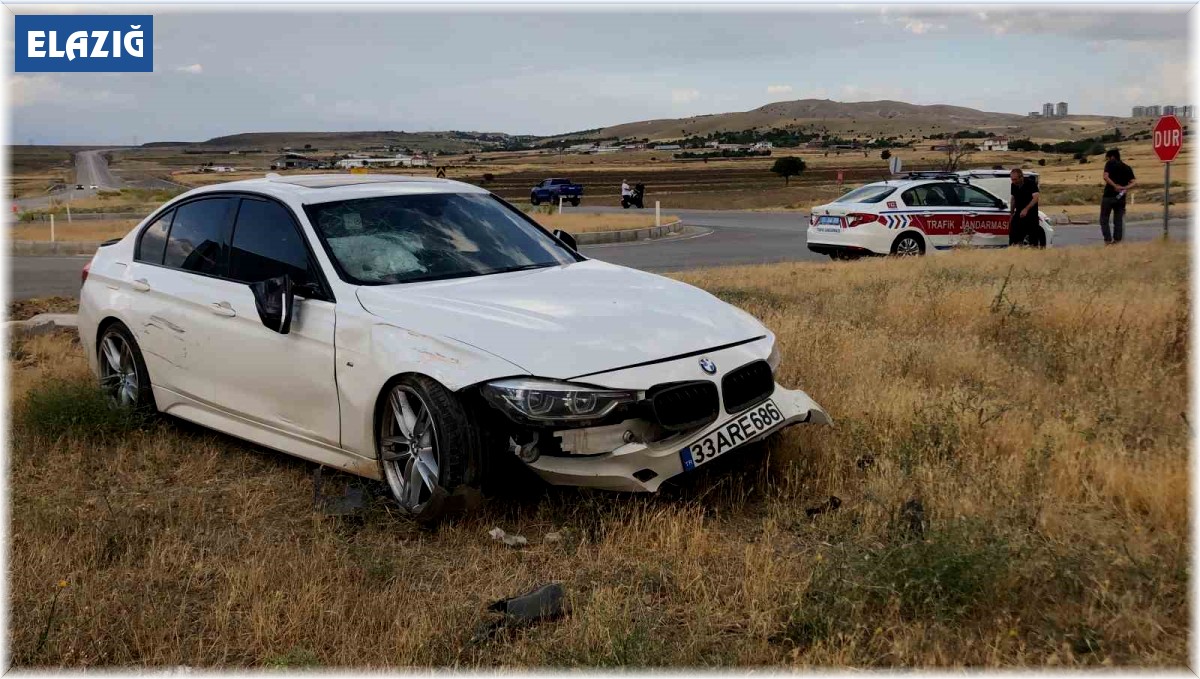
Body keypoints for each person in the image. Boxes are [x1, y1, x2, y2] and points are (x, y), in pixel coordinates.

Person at [1101, 148, 1136, 244]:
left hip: (1108, 195)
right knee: (1118, 220)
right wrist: (1124, 188)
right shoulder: (1127, 167)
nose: (1107, 160)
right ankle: (1117, 240)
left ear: (1112, 157)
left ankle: (1107, 240)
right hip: (1121, 197)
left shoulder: (1110, 163)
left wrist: (1114, 186)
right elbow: (1133, 182)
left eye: (1108, 158)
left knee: (1104, 219)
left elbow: (1105, 176)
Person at [1009, 168, 1041, 248]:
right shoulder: (1013, 185)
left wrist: (1026, 209)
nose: (1013, 181)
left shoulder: (1031, 183)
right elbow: (1013, 199)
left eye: (1015, 179)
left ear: (1021, 177)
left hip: (1031, 215)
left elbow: (1035, 198)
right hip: (1019, 214)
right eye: (1012, 179)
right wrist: (1011, 213)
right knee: (1014, 237)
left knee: (1033, 240)